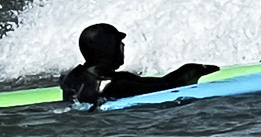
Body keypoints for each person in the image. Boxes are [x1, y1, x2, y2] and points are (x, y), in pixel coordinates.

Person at [60, 23, 218, 109]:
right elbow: (169, 84)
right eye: (118, 43)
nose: (122, 46)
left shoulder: (69, 79)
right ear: (108, 48)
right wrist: (192, 69)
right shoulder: (117, 84)